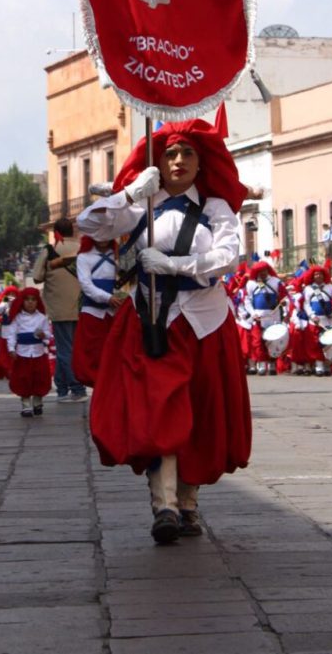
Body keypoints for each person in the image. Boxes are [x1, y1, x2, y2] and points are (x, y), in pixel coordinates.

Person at [77, 118, 251, 545]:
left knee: (200, 412)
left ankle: (188, 503)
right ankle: (165, 505)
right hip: (151, 323)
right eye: (170, 153)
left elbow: (229, 256)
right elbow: (90, 225)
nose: (178, 161)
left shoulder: (215, 209)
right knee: (158, 411)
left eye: (187, 153)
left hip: (204, 322)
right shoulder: (141, 207)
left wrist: (175, 265)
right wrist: (132, 192)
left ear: (201, 162)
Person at [32, 220, 87, 402]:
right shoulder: (82, 249)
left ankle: (77, 388)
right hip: (80, 306)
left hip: (58, 307)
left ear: (56, 232)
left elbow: (37, 277)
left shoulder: (49, 251)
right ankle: (62, 388)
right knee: (72, 347)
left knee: (64, 349)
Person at [72, 236, 123, 387]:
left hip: (116, 313)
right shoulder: (84, 257)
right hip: (93, 314)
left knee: (115, 355)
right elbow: (86, 285)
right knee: (93, 356)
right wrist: (107, 298)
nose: (102, 236)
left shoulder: (119, 255)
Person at [3, 287, 53, 416]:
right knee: (23, 378)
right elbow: (12, 334)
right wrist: (11, 349)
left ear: (37, 302)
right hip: (22, 353)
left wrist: (44, 335)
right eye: (27, 300)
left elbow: (49, 334)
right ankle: (26, 404)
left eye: (33, 300)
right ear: (22, 301)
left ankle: (37, 402)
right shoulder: (17, 318)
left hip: (38, 352)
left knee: (39, 377)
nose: (30, 302)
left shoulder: (42, 317)